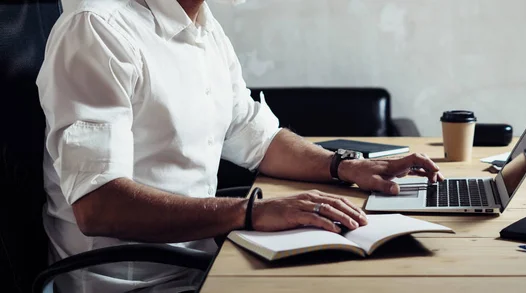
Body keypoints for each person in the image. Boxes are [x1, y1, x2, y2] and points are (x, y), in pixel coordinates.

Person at [36, 0, 444, 292]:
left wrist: (343, 167)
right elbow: (97, 205)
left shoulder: (203, 26)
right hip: (132, 281)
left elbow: (255, 134)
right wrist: (251, 212)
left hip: (204, 263)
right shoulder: (97, 28)